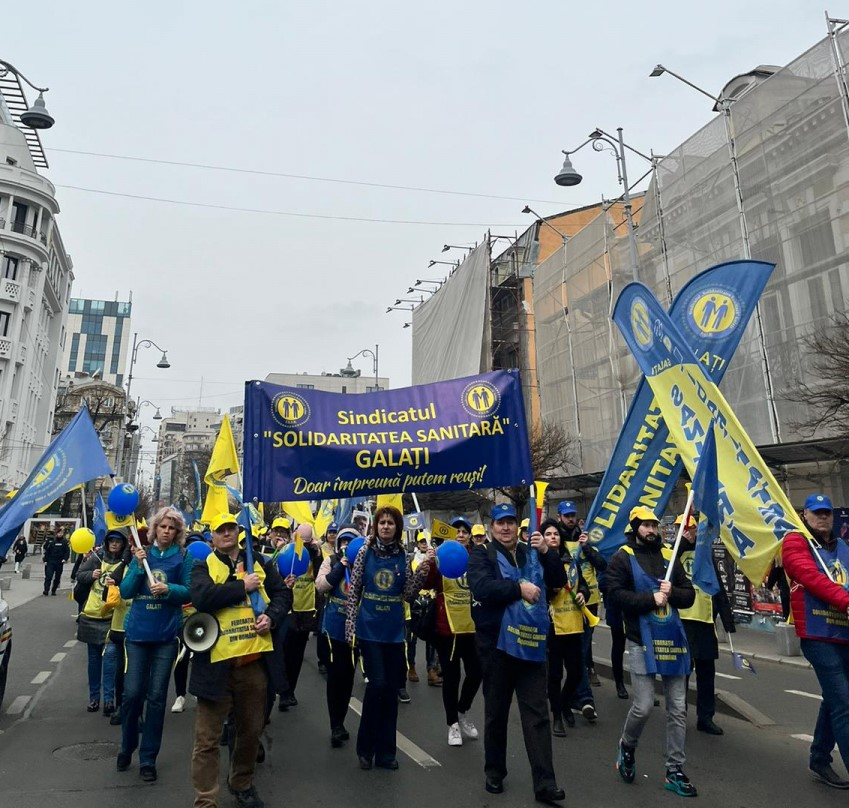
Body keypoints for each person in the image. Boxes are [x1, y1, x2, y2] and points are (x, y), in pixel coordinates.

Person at [467, 503, 567, 804]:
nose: (506, 528)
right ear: (491, 527)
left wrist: (547, 553)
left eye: (511, 522)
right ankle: (495, 771)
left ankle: (545, 783)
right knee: (496, 712)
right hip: (496, 645)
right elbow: (483, 588)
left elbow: (558, 581)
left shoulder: (531, 551)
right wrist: (517, 588)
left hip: (532, 644)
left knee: (537, 714)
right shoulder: (482, 556)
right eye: (500, 523)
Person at [189, 512, 287, 808]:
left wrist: (271, 616)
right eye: (221, 530)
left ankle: (241, 784)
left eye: (231, 528)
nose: (227, 534)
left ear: (238, 532)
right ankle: (205, 799)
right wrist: (241, 587)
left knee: (249, 731)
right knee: (207, 739)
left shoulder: (260, 561)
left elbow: (283, 595)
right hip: (216, 665)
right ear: (213, 537)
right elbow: (203, 597)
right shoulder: (201, 564)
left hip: (252, 664)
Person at [606, 506, 696, 798]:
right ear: (634, 528)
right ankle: (627, 746)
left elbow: (689, 595)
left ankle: (675, 770)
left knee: (678, 709)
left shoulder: (669, 556)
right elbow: (615, 595)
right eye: (645, 525)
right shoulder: (622, 557)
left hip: (672, 641)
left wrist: (673, 593)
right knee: (644, 705)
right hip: (640, 640)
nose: (651, 530)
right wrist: (650, 598)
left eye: (654, 525)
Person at [345, 505, 431, 770]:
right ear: (375, 526)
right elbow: (354, 590)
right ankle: (365, 748)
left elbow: (407, 593)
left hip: (394, 632)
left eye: (390, 523)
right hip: (369, 629)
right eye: (381, 522)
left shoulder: (403, 556)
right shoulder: (363, 553)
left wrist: (422, 573)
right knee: (377, 685)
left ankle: (386, 752)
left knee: (391, 688)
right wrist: (350, 626)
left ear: (397, 528)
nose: (385, 527)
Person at [117, 507, 192, 782]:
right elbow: (125, 592)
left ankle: (148, 758)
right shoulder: (142, 555)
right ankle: (127, 746)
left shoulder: (182, 557)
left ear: (177, 533)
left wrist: (169, 590)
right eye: (162, 527)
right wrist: (137, 567)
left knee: (157, 698)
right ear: (154, 529)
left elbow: (189, 591)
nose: (166, 532)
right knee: (132, 694)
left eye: (171, 528)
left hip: (165, 638)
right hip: (137, 635)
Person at [783, 493, 849, 789]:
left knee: (835, 700)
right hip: (816, 635)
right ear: (804, 516)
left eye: (827, 513)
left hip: (844, 634)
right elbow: (808, 575)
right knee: (844, 703)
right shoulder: (795, 542)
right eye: (817, 513)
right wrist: (846, 601)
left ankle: (819, 757)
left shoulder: (843, 548)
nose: (823, 518)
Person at [421, 516, 482, 747]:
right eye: (456, 531)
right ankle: (452, 724)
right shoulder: (440, 557)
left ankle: (462, 710)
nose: (461, 534)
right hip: (446, 628)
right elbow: (426, 584)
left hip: (471, 626)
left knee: (477, 672)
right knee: (452, 676)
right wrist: (428, 564)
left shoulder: (477, 557)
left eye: (465, 531)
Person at [676, 513, 735, 736]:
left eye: (693, 529)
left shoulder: (706, 556)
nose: (690, 532)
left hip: (705, 620)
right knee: (682, 672)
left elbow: (718, 587)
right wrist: (683, 542)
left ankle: (705, 717)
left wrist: (727, 621)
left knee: (706, 672)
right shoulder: (674, 553)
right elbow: (667, 570)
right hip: (682, 620)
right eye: (686, 528)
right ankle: (678, 712)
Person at [542, 518, 590, 737]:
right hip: (552, 626)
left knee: (576, 672)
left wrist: (583, 594)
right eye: (549, 534)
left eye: (556, 534)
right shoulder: (539, 562)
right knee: (554, 673)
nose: (553, 537)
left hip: (574, 623)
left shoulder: (572, 559)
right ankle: (557, 715)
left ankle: (564, 702)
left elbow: (585, 585)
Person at [560, 500, 606, 708]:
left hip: (591, 602)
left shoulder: (586, 539)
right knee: (577, 651)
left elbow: (602, 564)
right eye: (566, 515)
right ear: (560, 517)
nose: (570, 519)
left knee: (581, 649)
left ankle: (575, 693)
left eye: (573, 515)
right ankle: (583, 697)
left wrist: (586, 547)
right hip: (568, 604)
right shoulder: (558, 540)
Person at [316, 526, 358, 747]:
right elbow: (321, 586)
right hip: (332, 628)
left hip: (354, 631)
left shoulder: (361, 564)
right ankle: (335, 725)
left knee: (348, 677)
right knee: (335, 677)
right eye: (343, 541)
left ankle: (341, 719)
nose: (345, 545)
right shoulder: (331, 561)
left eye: (350, 542)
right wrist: (339, 569)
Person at [75, 530, 127, 713]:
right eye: (111, 540)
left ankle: (108, 699)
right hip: (92, 615)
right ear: (106, 542)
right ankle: (94, 698)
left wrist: (118, 581)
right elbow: (80, 575)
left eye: (118, 541)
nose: (114, 544)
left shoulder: (125, 562)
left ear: (123, 544)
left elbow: (130, 585)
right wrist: (92, 575)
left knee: (111, 659)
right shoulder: (97, 557)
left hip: (112, 617)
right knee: (94, 660)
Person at [280, 523, 322, 708]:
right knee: (284, 652)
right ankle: (280, 691)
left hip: (306, 610)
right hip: (287, 609)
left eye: (306, 542)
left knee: (296, 655)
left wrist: (318, 554)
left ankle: (289, 692)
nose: (303, 545)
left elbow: (322, 577)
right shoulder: (285, 552)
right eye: (300, 541)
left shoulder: (314, 555)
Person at [42, 527, 70, 596]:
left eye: (61, 533)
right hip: (51, 561)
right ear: (56, 534)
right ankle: (46, 590)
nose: (60, 534)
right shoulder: (52, 542)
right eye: (59, 533)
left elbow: (67, 552)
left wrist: (65, 559)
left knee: (57, 577)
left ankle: (53, 590)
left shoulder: (64, 542)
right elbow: (47, 551)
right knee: (48, 576)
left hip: (59, 562)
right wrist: (45, 560)